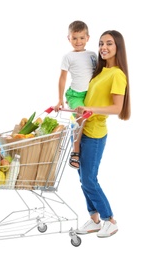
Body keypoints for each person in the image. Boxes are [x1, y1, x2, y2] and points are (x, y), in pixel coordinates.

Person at [75, 30, 131, 238]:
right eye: (100, 43)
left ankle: (110, 220)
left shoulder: (117, 74)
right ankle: (94, 219)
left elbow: (117, 108)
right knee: (83, 178)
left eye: (109, 43)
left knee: (89, 179)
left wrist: (92, 110)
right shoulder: (100, 72)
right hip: (83, 130)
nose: (103, 47)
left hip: (95, 134)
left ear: (118, 47)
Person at [54, 20, 97, 170]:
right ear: (69, 38)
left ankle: (84, 146)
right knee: (79, 119)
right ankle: (75, 150)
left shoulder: (92, 55)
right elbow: (62, 78)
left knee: (88, 120)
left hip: (90, 93)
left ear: (88, 38)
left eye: (81, 38)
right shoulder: (68, 57)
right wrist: (60, 100)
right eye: (74, 38)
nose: (78, 42)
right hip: (75, 95)